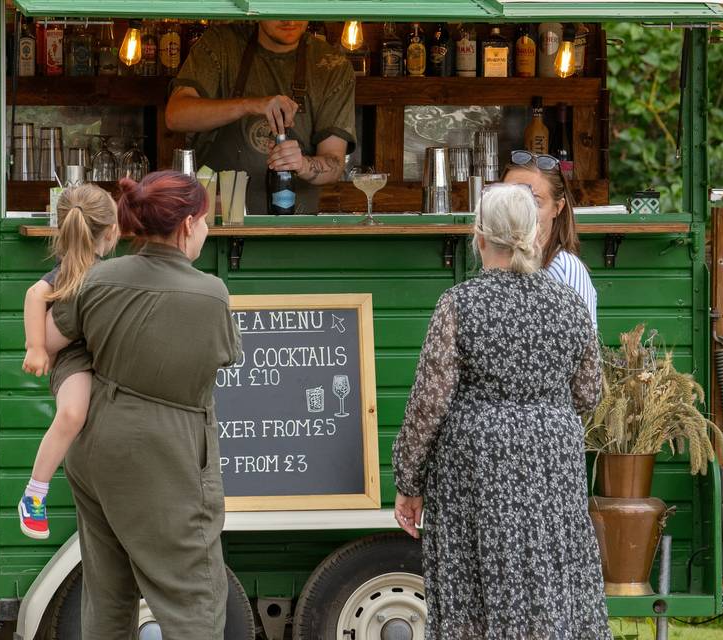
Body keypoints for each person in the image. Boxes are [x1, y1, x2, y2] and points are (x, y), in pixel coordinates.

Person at [392, 184, 610, 639]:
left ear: (479, 236)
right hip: (552, 462)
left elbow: (429, 402)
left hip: (477, 467)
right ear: (534, 235)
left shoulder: (459, 304)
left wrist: (408, 480)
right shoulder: (570, 305)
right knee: (551, 579)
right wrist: (542, 414)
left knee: (472, 588)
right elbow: (591, 394)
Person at [46, 171, 241, 640]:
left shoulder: (97, 279)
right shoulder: (209, 292)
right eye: (206, 221)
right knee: (192, 595)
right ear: (188, 224)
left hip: (95, 444)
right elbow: (226, 355)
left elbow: (53, 340)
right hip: (166, 449)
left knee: (107, 592)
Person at [164, 20, 356, 214]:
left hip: (294, 227)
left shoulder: (331, 65)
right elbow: (176, 115)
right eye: (277, 6)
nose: (289, 20)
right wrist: (250, 104)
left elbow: (335, 162)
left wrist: (303, 164)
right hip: (218, 222)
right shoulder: (222, 43)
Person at [18, 184, 119, 540]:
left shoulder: (110, 270)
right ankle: (35, 492)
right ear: (112, 231)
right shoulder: (72, 270)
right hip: (76, 358)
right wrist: (36, 347)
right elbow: (35, 294)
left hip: (102, 355)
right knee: (73, 413)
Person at [502, 149, 598, 327]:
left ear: (557, 208)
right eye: (509, 199)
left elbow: (584, 348)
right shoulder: (499, 263)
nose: (519, 210)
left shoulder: (565, 268)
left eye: (534, 202)